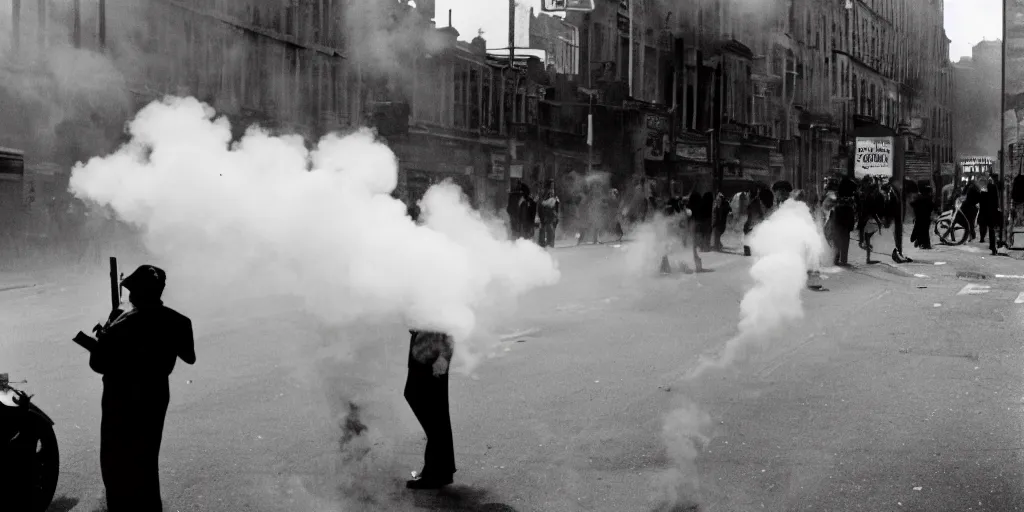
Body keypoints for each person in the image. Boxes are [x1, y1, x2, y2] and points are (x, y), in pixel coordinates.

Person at [87, 265, 196, 512]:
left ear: (137, 294)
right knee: (146, 458)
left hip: (120, 396)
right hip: (155, 394)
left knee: (115, 461)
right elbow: (189, 356)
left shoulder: (122, 323)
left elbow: (98, 363)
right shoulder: (179, 321)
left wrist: (105, 331)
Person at [404, 330, 457, 489]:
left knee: (433, 412)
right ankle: (438, 471)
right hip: (425, 346)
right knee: (434, 412)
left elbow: (450, 323)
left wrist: (444, 357)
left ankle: (437, 473)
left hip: (433, 352)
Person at [978, 174, 1001, 255]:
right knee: (994, 229)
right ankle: (994, 246)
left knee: (990, 229)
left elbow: (982, 201)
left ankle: (993, 246)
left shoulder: (986, 189)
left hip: (987, 212)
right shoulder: (996, 187)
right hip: (994, 211)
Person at [910, 185, 935, 250]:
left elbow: (912, 204)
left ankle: (920, 241)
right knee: (925, 231)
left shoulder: (919, 198)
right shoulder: (928, 199)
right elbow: (932, 207)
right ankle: (924, 243)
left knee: (920, 230)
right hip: (926, 218)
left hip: (919, 218)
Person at [537, 181, 561, 248]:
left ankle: (550, 245)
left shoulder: (554, 196)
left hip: (551, 217)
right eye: (551, 186)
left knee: (551, 232)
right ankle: (545, 244)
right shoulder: (545, 194)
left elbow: (556, 207)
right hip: (546, 216)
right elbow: (542, 205)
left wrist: (556, 215)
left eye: (553, 186)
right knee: (546, 231)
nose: (552, 188)